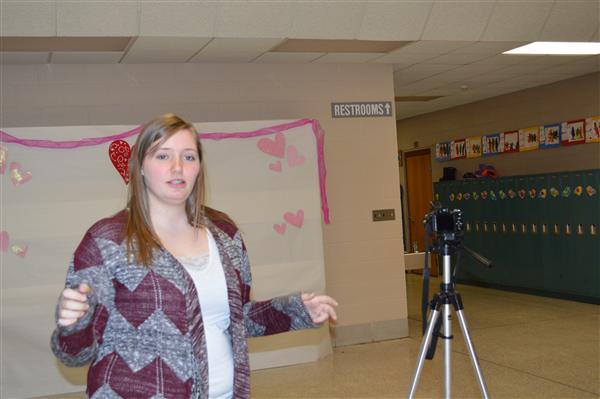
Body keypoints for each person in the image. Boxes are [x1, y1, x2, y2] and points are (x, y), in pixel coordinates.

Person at [51, 114, 338, 399]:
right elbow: (75, 355)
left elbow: (238, 320)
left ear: (199, 167)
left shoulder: (225, 233)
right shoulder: (108, 240)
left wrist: (297, 310)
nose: (177, 167)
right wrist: (73, 325)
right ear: (139, 166)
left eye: (188, 157)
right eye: (163, 156)